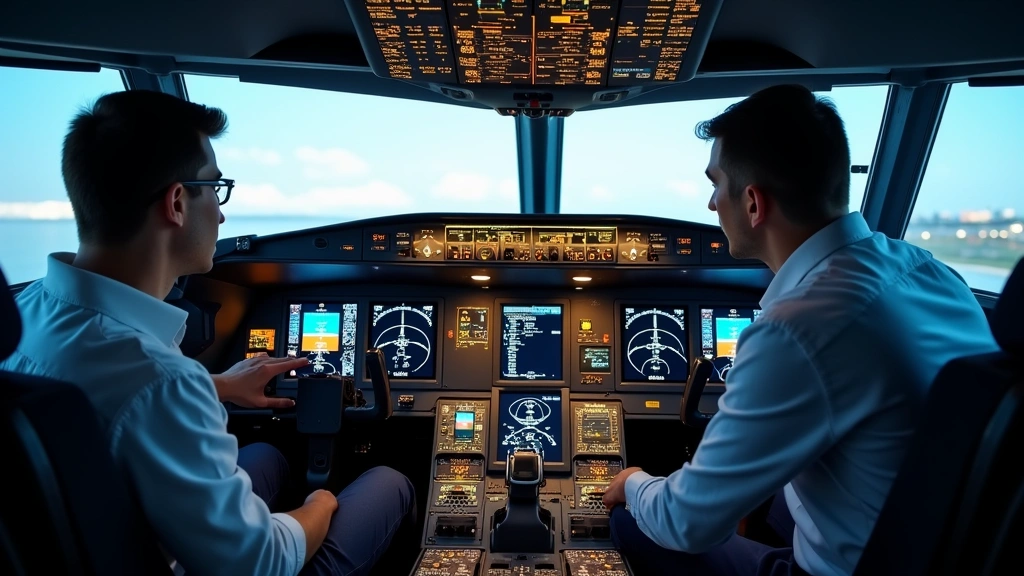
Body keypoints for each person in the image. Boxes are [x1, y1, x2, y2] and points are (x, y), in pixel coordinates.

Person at [0, 89, 415, 576]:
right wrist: (320, 504)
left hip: (84, 544)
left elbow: (102, 398)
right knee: (389, 482)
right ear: (177, 202)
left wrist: (216, 384)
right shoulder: (160, 383)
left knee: (266, 455)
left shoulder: (26, 312)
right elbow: (262, 561)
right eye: (216, 188)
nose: (220, 213)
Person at [601, 84, 1000, 576]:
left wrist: (634, 481)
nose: (710, 204)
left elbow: (686, 523)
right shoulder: (931, 271)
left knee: (629, 520)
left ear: (753, 203)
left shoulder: (796, 329)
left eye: (716, 184)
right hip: (950, 544)